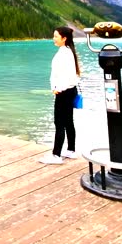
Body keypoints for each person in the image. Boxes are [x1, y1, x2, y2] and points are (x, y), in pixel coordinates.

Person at [40, 26, 81, 164]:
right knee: (68, 121)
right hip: (70, 91)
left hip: (64, 92)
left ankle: (56, 155)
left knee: (59, 123)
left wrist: (58, 89)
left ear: (64, 38)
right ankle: (71, 150)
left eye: (56, 36)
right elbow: (73, 75)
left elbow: (65, 76)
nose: (54, 38)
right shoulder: (68, 51)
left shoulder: (64, 54)